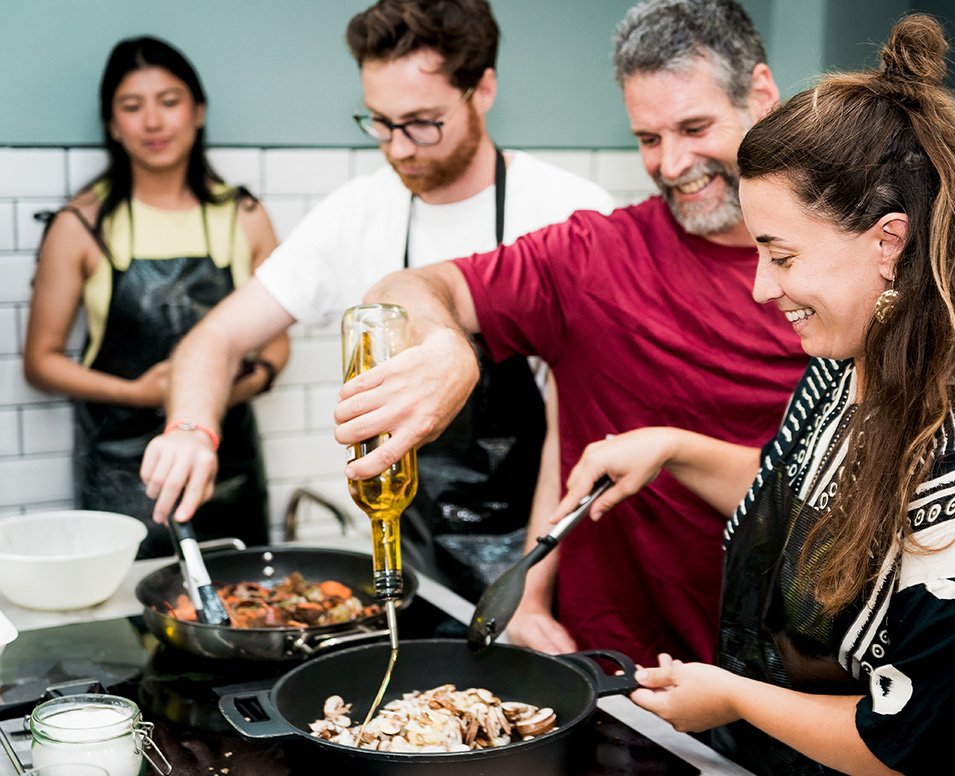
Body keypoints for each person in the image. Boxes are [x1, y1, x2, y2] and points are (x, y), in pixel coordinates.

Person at [551, 14, 955, 776]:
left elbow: (915, 740)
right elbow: (802, 498)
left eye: (782, 254)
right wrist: (672, 448)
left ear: (888, 241)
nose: (762, 286)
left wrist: (735, 698)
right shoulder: (852, 361)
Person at [335, 0, 809, 667]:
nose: (672, 164)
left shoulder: (833, 271)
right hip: (619, 671)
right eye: (647, 139)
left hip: (785, 673)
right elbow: (405, 288)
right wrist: (446, 348)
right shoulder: (597, 255)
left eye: (694, 127)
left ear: (759, 95)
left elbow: (850, 496)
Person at [138, 0, 615, 576]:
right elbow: (214, 339)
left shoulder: (571, 211)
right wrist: (191, 428)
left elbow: (590, 420)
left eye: (422, 122)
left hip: (553, 554)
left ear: (483, 90)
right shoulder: (354, 213)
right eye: (379, 122)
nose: (399, 147)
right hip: (415, 563)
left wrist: (529, 589)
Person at [24, 36, 287, 559]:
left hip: (227, 466)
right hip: (123, 472)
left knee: (245, 607)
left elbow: (276, 350)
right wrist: (140, 394)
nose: (153, 122)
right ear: (112, 124)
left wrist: (210, 400)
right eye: (131, 106)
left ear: (198, 112)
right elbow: (42, 362)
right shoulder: (82, 225)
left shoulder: (244, 216)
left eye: (169, 101)